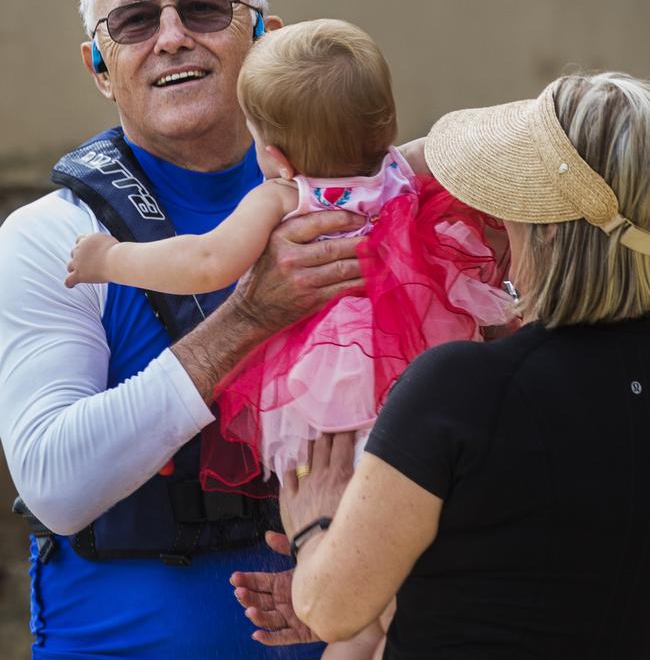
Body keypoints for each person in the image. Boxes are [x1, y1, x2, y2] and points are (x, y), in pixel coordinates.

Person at [0, 0, 367, 660]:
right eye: (134, 20)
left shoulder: (354, 201)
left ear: (266, 34)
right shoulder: (55, 237)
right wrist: (249, 318)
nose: (172, 35)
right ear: (99, 66)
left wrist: (359, 580)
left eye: (203, 7)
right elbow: (55, 482)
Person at [237, 72, 650, 659]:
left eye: (506, 206)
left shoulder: (463, 390)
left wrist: (316, 532)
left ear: (548, 234)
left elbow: (330, 607)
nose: (493, 223)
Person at [65, 18, 513, 499]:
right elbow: (477, 145)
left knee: (331, 488)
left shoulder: (284, 195)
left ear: (276, 157)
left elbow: (205, 262)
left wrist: (110, 259)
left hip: (334, 381)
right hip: (428, 349)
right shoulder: (403, 167)